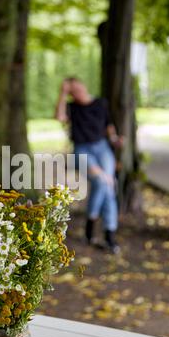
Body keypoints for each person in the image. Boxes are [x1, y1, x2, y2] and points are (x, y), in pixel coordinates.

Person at [55, 77, 123, 254]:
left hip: (102, 147)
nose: (78, 93)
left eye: (78, 88)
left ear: (84, 85)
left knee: (107, 187)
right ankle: (96, 229)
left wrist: (114, 139)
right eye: (72, 91)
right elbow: (59, 117)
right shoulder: (72, 107)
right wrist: (62, 93)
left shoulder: (100, 103)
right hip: (82, 150)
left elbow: (108, 125)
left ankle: (106, 234)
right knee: (104, 182)